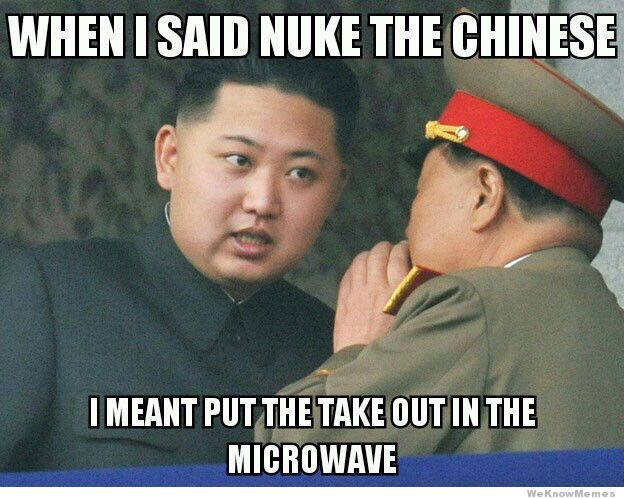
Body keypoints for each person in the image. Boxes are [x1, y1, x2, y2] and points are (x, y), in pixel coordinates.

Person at [256, 43, 624, 454]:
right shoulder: (611, 326)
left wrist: (356, 353)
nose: (408, 225)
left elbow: (292, 454)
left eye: (420, 194)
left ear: (484, 196)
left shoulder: (473, 306)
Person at [0, 56, 360, 470]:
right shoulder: (50, 297)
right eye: (239, 160)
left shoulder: (333, 348)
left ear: (336, 191)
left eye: (300, 173)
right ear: (170, 157)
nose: (263, 202)